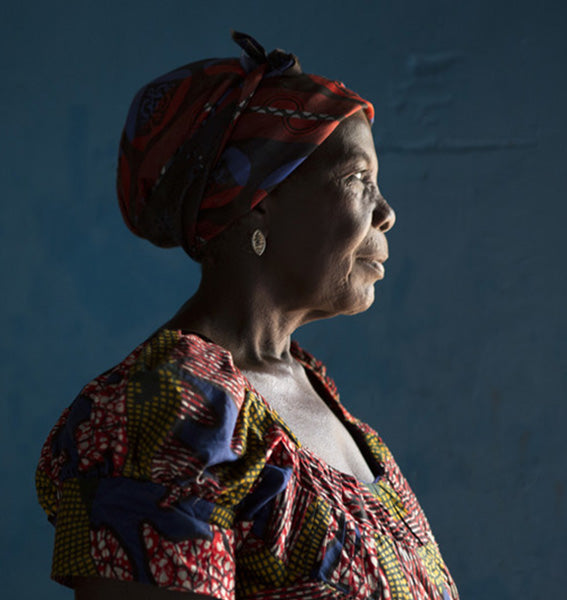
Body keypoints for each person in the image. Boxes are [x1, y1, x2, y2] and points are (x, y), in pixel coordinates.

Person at [36, 32, 459, 600]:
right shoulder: (166, 412)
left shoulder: (311, 390)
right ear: (259, 201)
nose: (386, 213)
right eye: (359, 179)